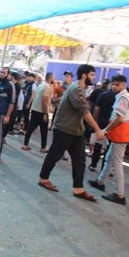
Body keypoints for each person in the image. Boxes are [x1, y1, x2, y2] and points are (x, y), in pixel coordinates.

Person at [37, 64, 105, 201]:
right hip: (64, 129)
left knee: (80, 160)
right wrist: (97, 129)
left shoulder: (80, 89)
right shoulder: (76, 89)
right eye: (92, 74)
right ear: (84, 75)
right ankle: (43, 179)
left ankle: (78, 189)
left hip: (76, 131)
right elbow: (84, 110)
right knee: (54, 155)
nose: (94, 77)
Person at [88, 75, 129, 205]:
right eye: (114, 84)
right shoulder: (126, 97)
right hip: (122, 134)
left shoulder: (123, 98)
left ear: (124, 84)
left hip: (121, 134)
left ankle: (119, 194)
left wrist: (105, 130)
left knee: (116, 163)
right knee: (109, 158)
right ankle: (100, 182)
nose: (115, 86)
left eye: (118, 84)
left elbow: (119, 119)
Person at [22, 72, 53, 153]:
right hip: (41, 111)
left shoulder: (40, 85)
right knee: (44, 130)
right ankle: (43, 147)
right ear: (51, 78)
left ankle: (25, 144)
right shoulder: (47, 87)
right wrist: (46, 113)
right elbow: (45, 100)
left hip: (35, 109)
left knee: (31, 128)